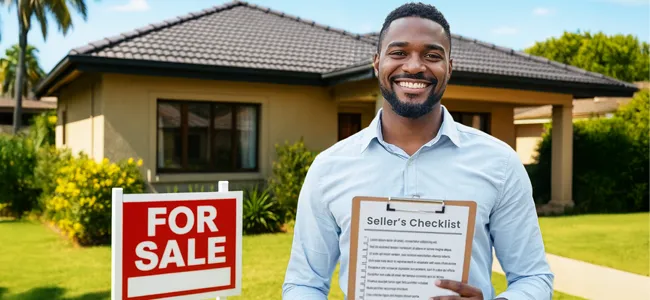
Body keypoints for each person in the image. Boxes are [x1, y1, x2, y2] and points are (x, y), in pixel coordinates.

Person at [282, 2, 554, 300]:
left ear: (449, 68)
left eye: (432, 55)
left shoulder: (500, 164)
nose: (413, 66)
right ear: (377, 64)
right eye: (398, 53)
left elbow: (533, 277)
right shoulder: (329, 168)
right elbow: (303, 283)